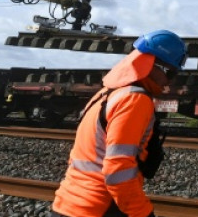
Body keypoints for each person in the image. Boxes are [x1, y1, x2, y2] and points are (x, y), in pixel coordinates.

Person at [51, 30, 187, 217]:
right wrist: (142, 213)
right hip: (98, 208)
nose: (169, 82)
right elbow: (118, 169)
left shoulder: (105, 94)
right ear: (150, 65)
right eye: (170, 73)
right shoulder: (135, 100)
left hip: (68, 202)